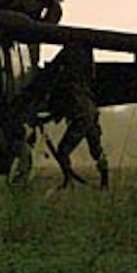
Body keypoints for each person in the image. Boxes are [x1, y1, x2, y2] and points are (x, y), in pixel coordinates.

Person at [47, 45, 110, 189]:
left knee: (63, 151)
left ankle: (68, 181)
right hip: (90, 119)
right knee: (96, 151)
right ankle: (105, 181)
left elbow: (62, 109)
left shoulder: (68, 87)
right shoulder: (83, 87)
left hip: (81, 121)